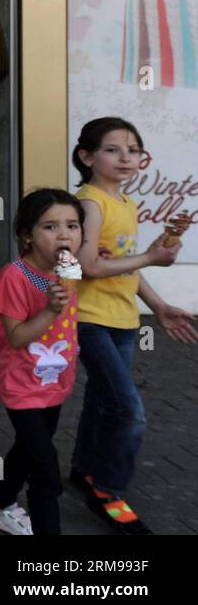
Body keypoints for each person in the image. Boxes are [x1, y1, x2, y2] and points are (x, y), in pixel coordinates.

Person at [68, 117, 197, 534]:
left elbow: (124, 267)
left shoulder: (126, 203)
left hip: (122, 318)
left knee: (103, 400)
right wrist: (148, 258)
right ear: (87, 157)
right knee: (130, 410)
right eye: (113, 149)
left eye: (134, 150)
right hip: (88, 319)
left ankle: (84, 469)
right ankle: (108, 492)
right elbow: (88, 267)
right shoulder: (89, 202)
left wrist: (158, 306)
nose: (126, 157)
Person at [0, 188, 83, 536]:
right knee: (46, 470)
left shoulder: (70, 272)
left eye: (72, 225)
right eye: (50, 227)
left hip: (55, 381)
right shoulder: (15, 276)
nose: (64, 234)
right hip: (21, 383)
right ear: (27, 234)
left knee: (28, 448)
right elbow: (17, 337)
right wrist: (52, 309)